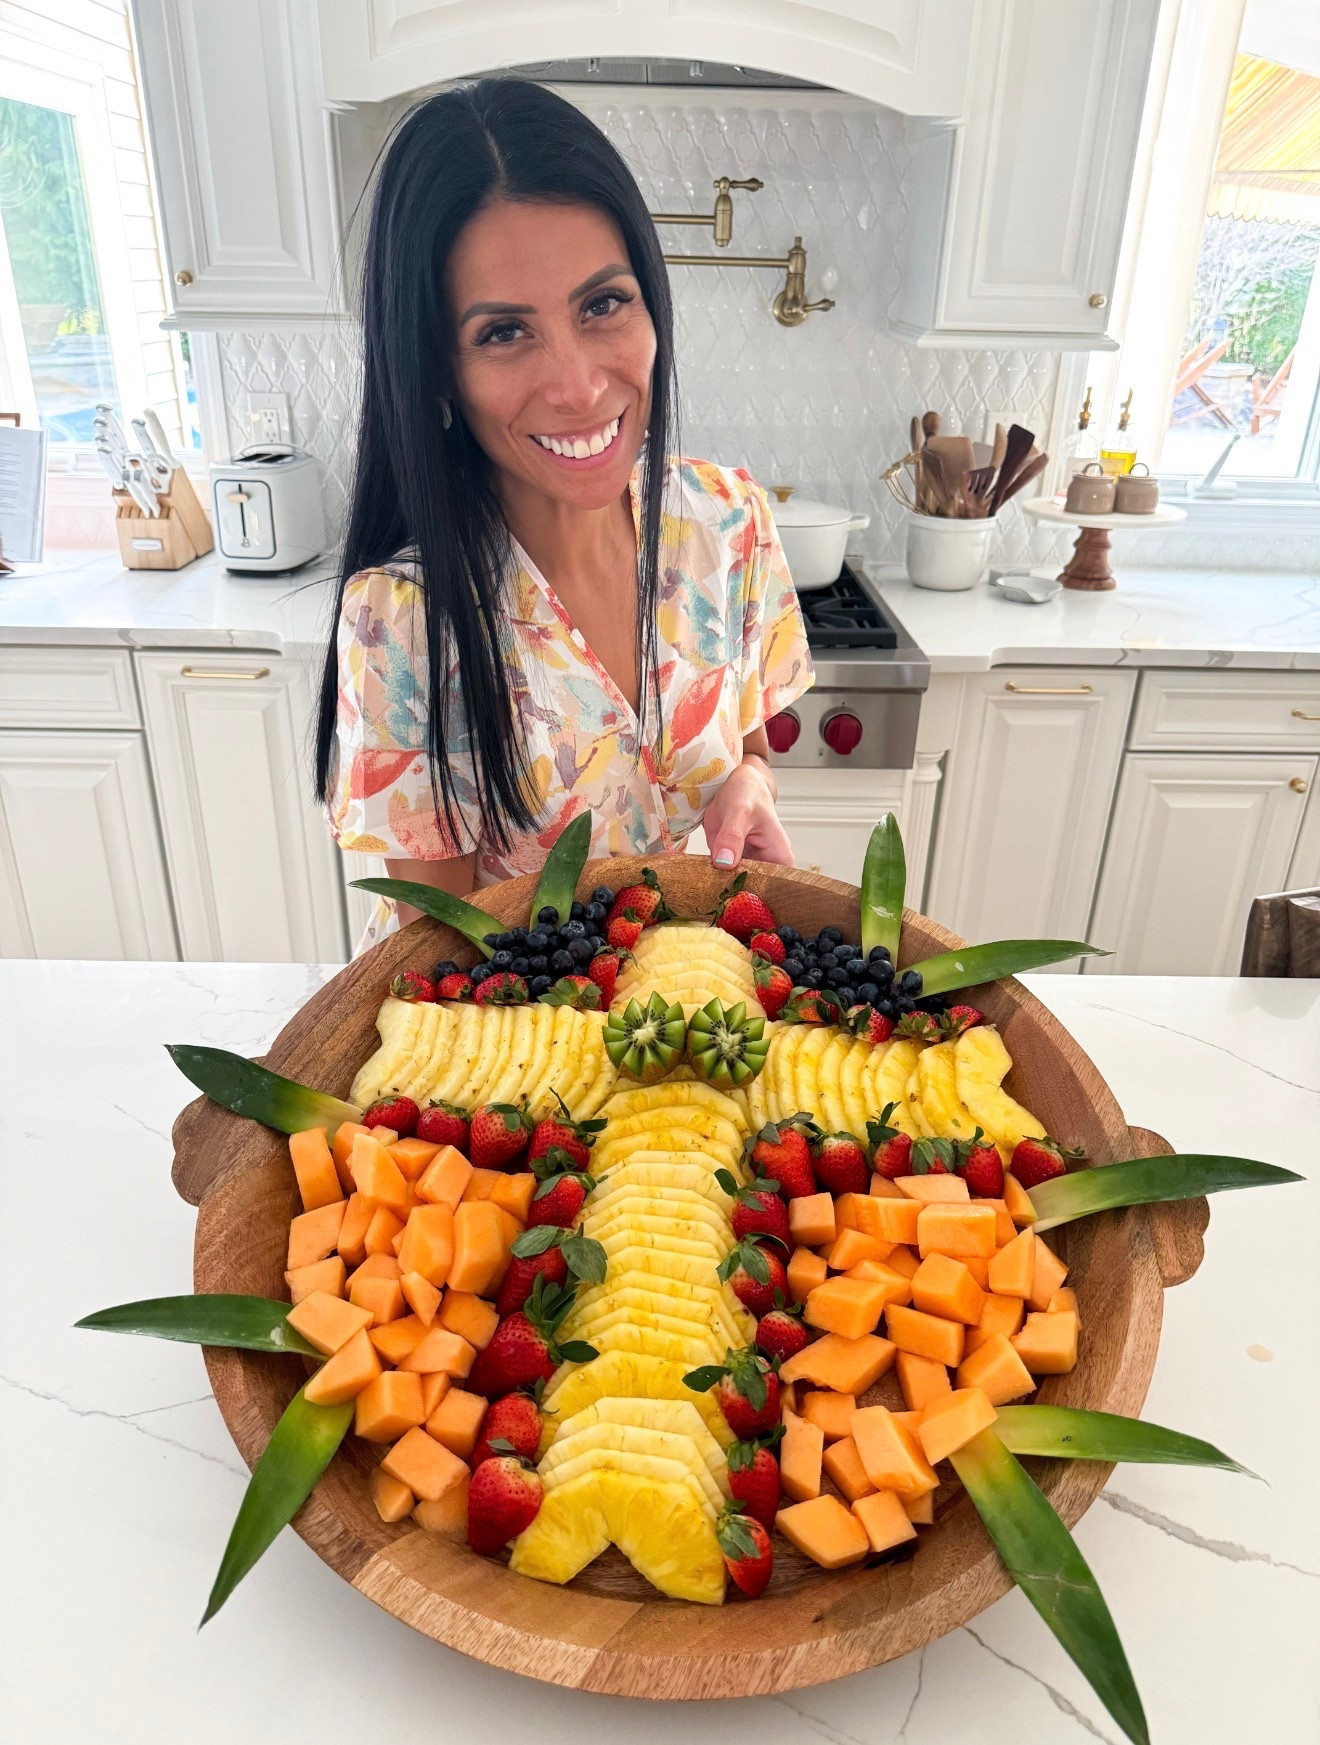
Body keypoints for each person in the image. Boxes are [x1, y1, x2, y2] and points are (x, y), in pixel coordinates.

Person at [315, 78, 814, 942]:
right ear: (438, 372)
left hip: (674, 993)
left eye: (603, 304)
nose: (580, 387)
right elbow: (445, 950)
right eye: (504, 333)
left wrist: (749, 788)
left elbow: (752, 743)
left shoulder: (729, 524)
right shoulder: (403, 622)